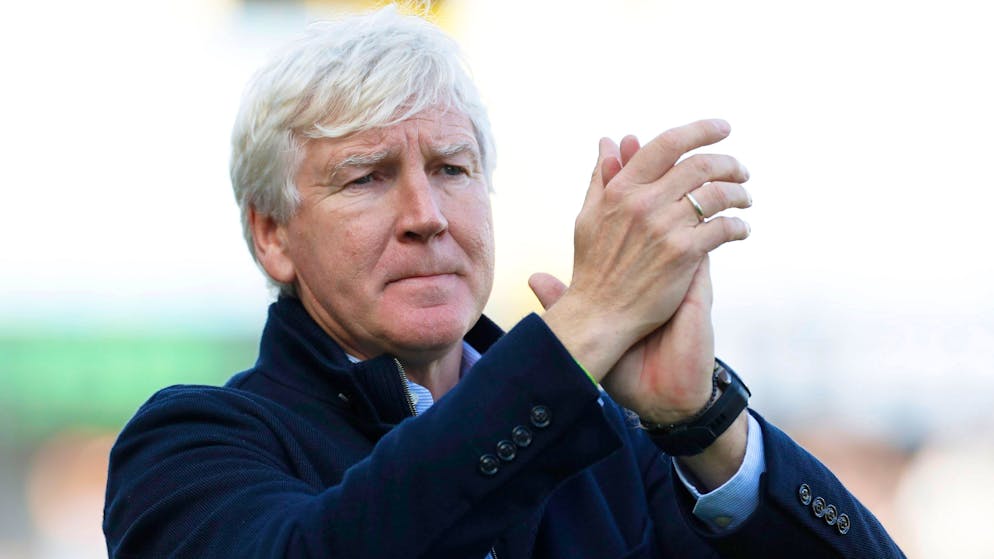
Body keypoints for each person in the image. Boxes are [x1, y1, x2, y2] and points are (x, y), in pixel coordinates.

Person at [103, 6, 905, 558]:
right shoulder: (187, 443)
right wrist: (588, 323)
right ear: (272, 234)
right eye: (367, 177)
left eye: (452, 169)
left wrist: (700, 423)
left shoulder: (609, 447)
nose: (426, 215)